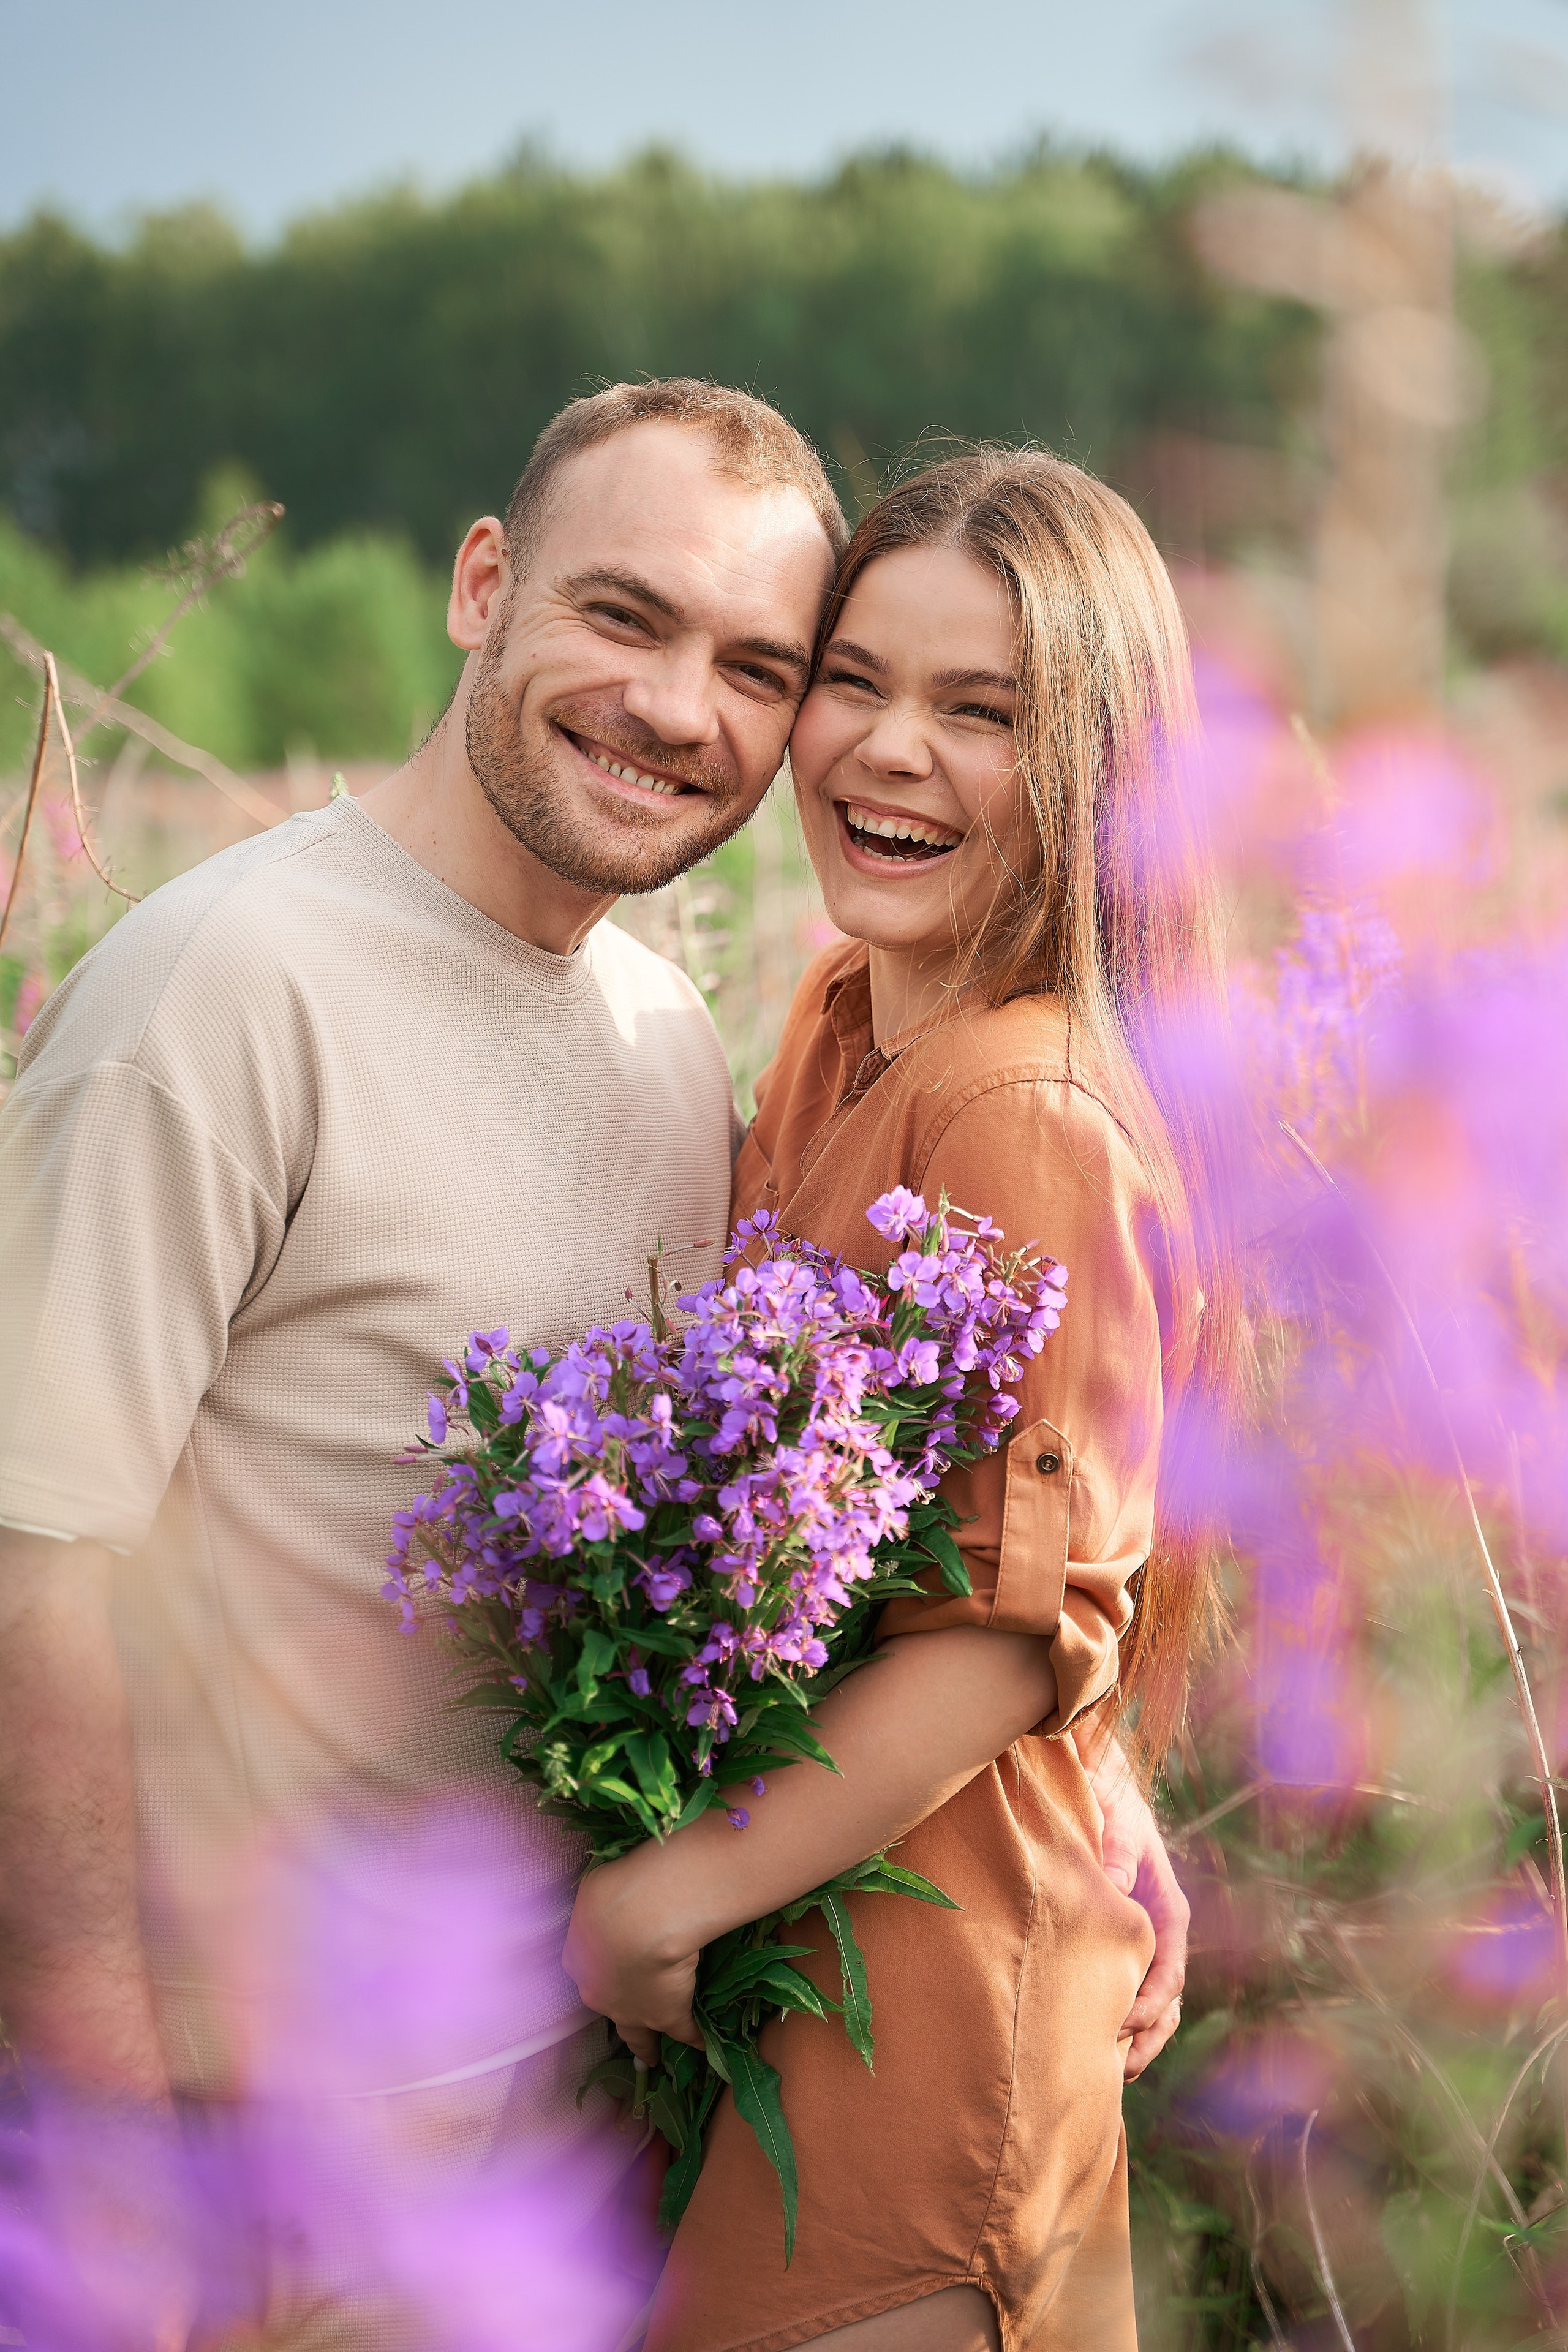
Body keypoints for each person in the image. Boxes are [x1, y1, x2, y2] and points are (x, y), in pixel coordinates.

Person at [0, 378, 844, 2340]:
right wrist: (129, 2151)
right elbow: (34, 1588)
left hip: (530, 2143)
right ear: (485, 585)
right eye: (620, 616)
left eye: (754, 665)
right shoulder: (223, 989)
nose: (676, 708)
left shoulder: (658, 1037)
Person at [564, 448, 1239, 2352]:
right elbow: (1039, 1547)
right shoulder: (847, 1022)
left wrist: (656, 1900)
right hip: (829, 1947)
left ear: (1097, 763)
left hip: (928, 2031)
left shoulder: (1016, 1106)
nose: (886, 752)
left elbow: (1014, 1632)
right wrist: (1110, 1783)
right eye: (854, 681)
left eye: (982, 712)